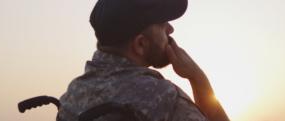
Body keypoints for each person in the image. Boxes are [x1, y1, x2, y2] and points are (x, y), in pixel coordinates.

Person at [57, 0, 229, 120]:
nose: (171, 29)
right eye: (162, 25)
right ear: (140, 44)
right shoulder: (163, 98)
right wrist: (198, 78)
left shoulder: (73, 93)